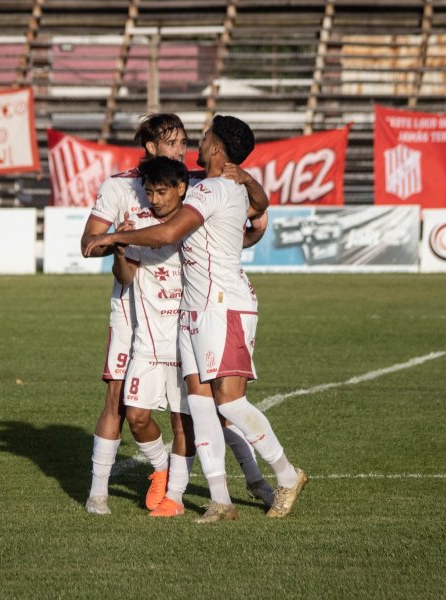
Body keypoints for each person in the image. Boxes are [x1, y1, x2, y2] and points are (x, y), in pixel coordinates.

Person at [85, 115, 307, 523]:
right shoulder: (216, 185)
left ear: (217, 149)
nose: (194, 145)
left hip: (222, 304)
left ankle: (286, 474)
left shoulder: (213, 189)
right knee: (203, 408)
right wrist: (250, 181)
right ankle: (220, 500)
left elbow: (169, 234)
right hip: (195, 308)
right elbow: (260, 204)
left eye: (201, 139)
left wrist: (117, 236)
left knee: (229, 402)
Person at [111, 156, 195, 517]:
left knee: (182, 422)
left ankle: (174, 498)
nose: (155, 199)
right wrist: (118, 246)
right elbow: (126, 277)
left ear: (180, 188)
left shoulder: (194, 222)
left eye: (162, 191)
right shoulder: (138, 225)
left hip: (187, 341)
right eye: (149, 192)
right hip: (147, 341)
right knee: (137, 417)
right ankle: (161, 470)